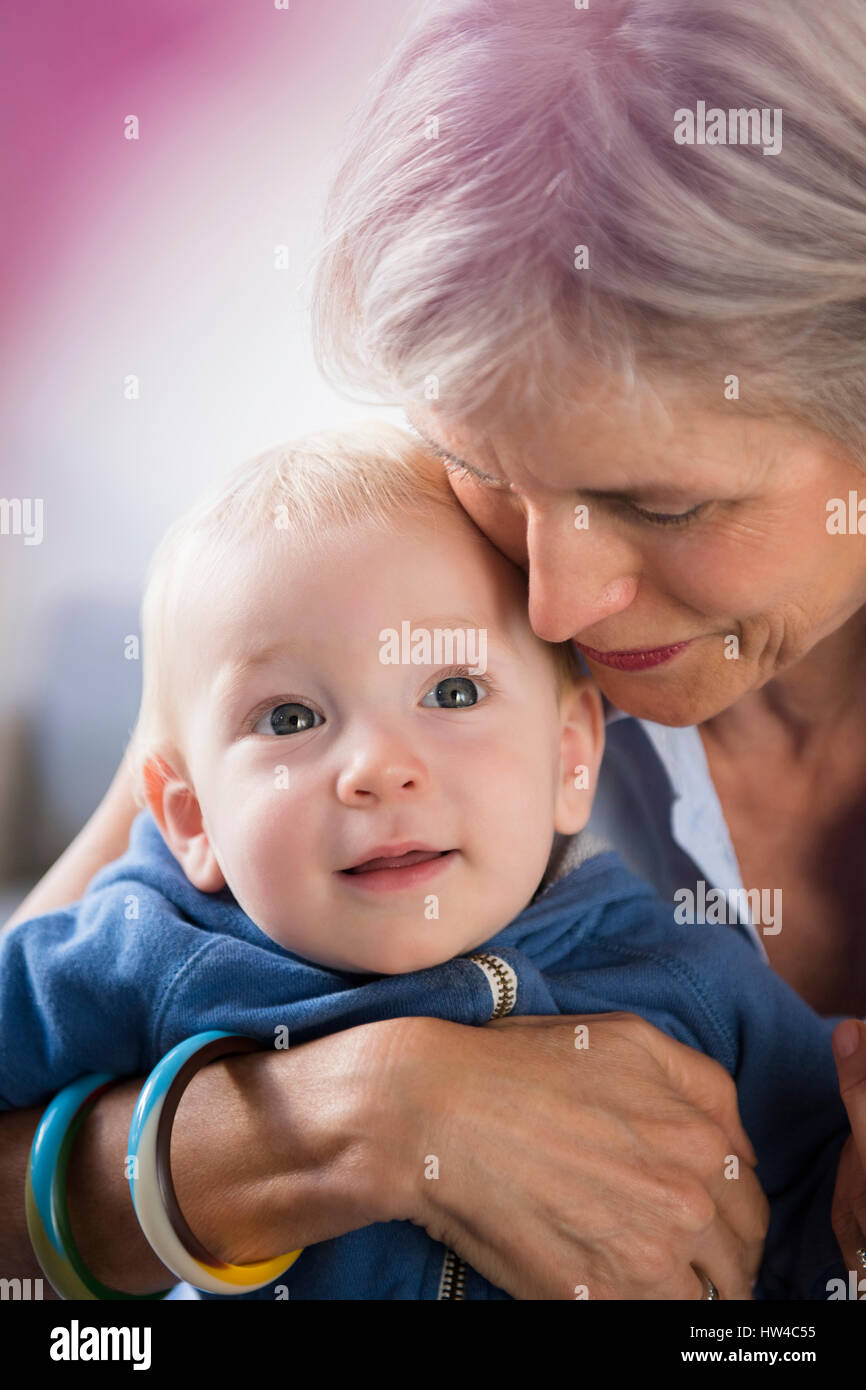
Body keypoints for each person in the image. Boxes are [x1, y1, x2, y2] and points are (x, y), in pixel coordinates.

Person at [4, 0, 865, 1300]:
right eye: (484, 469)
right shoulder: (362, 595)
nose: (558, 600)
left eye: (663, 504)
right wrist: (356, 1116)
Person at [0, 423, 850, 1300]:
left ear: (570, 761)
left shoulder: (683, 970)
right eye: (290, 719)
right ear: (191, 817)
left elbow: (810, 1210)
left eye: (453, 693)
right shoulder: (151, 942)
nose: (378, 768)